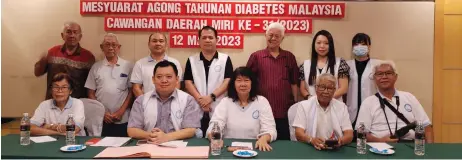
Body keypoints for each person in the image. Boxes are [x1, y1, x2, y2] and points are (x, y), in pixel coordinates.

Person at [355, 61, 433, 143]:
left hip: (411, 146)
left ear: (395, 77)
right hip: (379, 148)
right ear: (374, 78)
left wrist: (431, 150)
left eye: (388, 73)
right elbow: (360, 133)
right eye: (379, 74)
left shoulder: (409, 97)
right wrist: (380, 141)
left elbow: (426, 126)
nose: (384, 77)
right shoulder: (368, 102)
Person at [246, 22, 299, 140]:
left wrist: (295, 102)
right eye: (270, 35)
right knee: (261, 143)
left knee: (282, 145)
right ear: (265, 35)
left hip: (284, 111)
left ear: (282, 38)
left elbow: (294, 82)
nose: (273, 38)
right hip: (260, 111)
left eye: (277, 36)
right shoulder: (256, 56)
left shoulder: (289, 57)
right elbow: (247, 81)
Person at [127, 61, 202, 143]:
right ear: (153, 79)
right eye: (159, 77)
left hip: (178, 146)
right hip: (150, 144)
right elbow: (132, 130)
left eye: (169, 77)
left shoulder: (188, 100)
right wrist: (152, 136)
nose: (164, 80)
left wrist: (166, 137)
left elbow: (191, 130)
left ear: (177, 79)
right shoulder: (141, 100)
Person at [207, 67, 277, 151]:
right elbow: (214, 125)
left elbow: (270, 129)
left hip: (255, 147)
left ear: (252, 83)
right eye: (239, 80)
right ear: (233, 84)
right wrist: (215, 139)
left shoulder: (262, 101)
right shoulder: (225, 102)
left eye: (246, 80)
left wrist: (264, 139)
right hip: (229, 147)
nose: (243, 84)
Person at [184, 26, 234, 137]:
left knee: (216, 137)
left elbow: (227, 81)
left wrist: (210, 97)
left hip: (218, 105)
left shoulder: (225, 59)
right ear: (199, 41)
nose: (207, 40)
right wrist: (201, 100)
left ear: (217, 40)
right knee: (197, 138)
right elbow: (188, 82)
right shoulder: (192, 60)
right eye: (204, 37)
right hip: (197, 105)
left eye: (210, 37)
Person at [85, 33, 134, 137]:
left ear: (119, 47)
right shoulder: (96, 67)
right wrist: (102, 112)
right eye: (107, 44)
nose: (111, 48)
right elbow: (90, 92)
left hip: (123, 118)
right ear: (102, 47)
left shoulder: (128, 66)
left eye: (114, 45)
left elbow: (131, 92)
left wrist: (121, 111)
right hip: (101, 119)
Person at [34, 21, 95, 99]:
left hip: (76, 104)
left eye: (75, 32)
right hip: (52, 102)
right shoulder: (52, 52)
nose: (72, 35)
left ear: (80, 36)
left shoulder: (88, 57)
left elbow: (91, 85)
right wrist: (42, 62)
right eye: (68, 32)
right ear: (62, 35)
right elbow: (37, 73)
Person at [293, 73, 353, 150]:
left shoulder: (342, 107)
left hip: (335, 150)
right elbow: (298, 133)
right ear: (316, 88)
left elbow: (349, 134)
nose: (326, 91)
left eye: (330, 88)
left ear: (334, 90)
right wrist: (311, 140)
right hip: (310, 148)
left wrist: (340, 141)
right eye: (322, 87)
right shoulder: (304, 105)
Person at [299, 30, 349, 103]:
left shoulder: (340, 63)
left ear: (330, 45)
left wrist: (325, 99)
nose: (322, 46)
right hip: (312, 106)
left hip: (334, 105)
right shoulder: (305, 64)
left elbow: (344, 88)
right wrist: (313, 99)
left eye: (326, 43)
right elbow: (303, 89)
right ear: (314, 45)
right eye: (318, 43)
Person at [346, 33, 382, 128]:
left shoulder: (377, 65)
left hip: (372, 109)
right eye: (356, 44)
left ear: (369, 46)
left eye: (363, 44)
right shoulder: (347, 65)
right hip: (352, 110)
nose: (359, 47)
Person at [131, 32, 182, 98]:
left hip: (170, 105)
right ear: (149, 44)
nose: (158, 43)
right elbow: (136, 88)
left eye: (161, 41)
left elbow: (177, 85)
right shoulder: (140, 64)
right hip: (147, 105)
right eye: (154, 41)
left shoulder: (175, 63)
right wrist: (146, 103)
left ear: (166, 44)